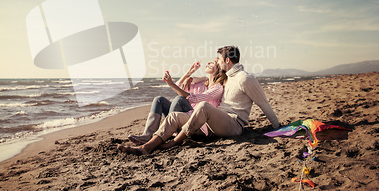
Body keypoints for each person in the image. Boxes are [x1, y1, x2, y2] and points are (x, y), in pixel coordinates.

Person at [118, 45, 280, 155]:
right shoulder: (227, 78)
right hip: (214, 122)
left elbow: (263, 103)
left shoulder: (245, 78)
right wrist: (192, 74)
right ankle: (146, 147)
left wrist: (279, 127)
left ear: (227, 60)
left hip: (234, 125)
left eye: (219, 59)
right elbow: (211, 79)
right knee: (174, 116)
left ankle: (174, 142)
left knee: (202, 106)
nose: (218, 61)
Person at [128, 59, 227, 145]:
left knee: (179, 99)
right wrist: (190, 71)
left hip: (197, 123)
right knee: (159, 100)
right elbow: (179, 86)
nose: (208, 63)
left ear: (219, 70)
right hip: (185, 117)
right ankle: (148, 135)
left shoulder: (217, 88)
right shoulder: (201, 83)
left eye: (213, 63)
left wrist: (171, 84)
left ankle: (167, 132)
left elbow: (193, 99)